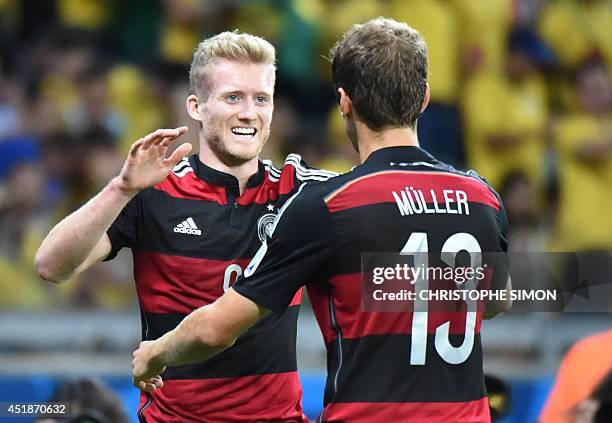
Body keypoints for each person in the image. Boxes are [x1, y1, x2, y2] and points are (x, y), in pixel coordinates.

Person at [132, 18, 512, 422]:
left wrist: (154, 353)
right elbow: (496, 300)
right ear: (424, 99)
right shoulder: (480, 196)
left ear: (344, 102)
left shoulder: (329, 206)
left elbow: (216, 330)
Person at [35, 31, 336, 422]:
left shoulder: (298, 193)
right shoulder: (152, 192)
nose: (249, 112)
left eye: (261, 98)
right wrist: (120, 187)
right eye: (233, 97)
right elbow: (51, 266)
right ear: (196, 106)